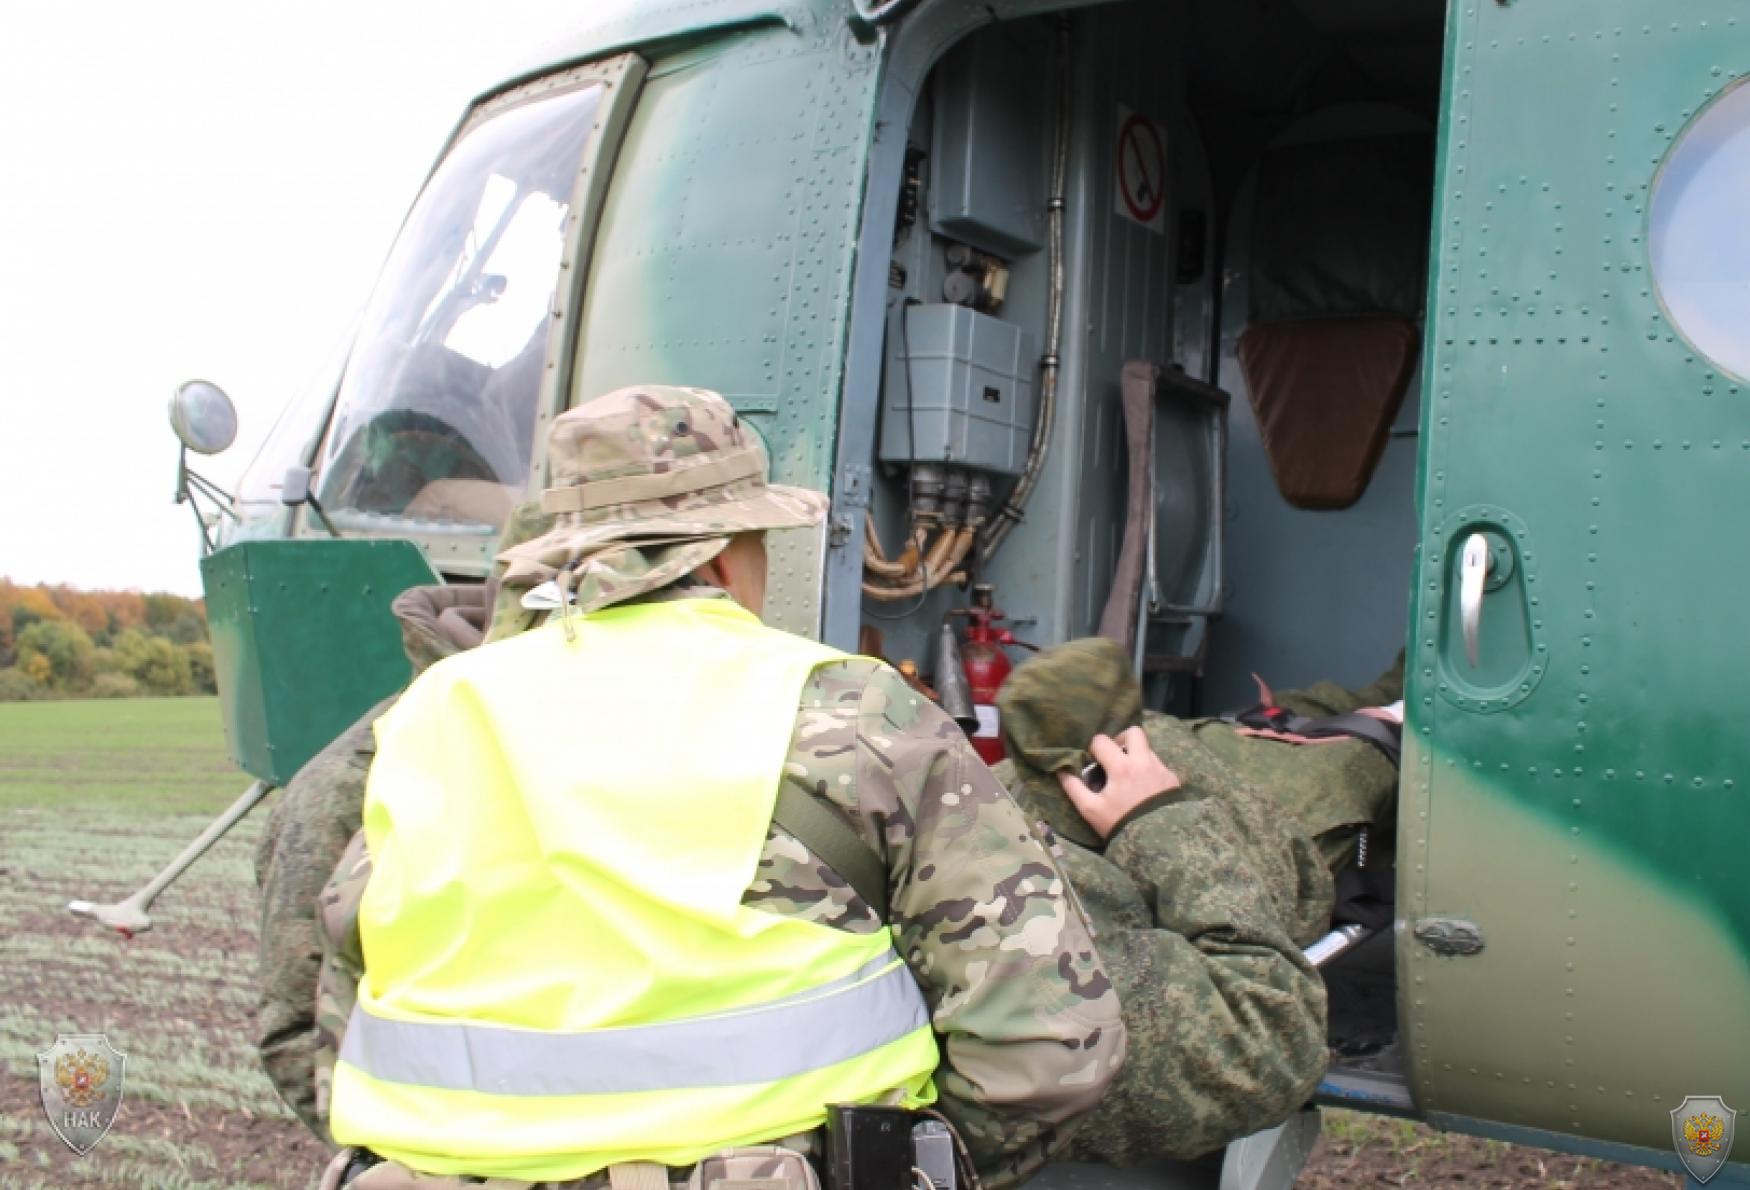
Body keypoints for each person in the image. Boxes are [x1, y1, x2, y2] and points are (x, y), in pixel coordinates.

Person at [300, 386, 1124, 1190]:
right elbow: (1052, 1043)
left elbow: (337, 995)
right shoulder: (852, 711)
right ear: (726, 555)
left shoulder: (430, 713)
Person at [991, 638, 1404, 1163]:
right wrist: (1153, 817)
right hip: (1226, 812)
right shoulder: (1047, 1020)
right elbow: (1269, 1047)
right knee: (1371, 737)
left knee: (1323, 712)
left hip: (1141, 767)